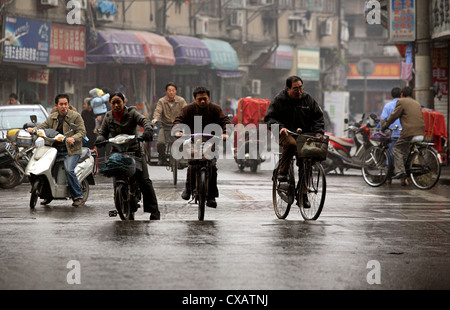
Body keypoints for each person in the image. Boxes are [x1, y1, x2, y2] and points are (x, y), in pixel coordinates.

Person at [96, 92, 160, 220]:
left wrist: (147, 130)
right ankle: (121, 203)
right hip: (117, 153)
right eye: (113, 103)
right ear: (110, 104)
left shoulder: (132, 113)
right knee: (116, 179)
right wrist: (100, 139)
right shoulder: (108, 117)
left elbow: (144, 120)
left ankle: (154, 211)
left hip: (135, 151)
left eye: (118, 102)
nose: (116, 105)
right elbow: (103, 132)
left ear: (123, 102)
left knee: (145, 181)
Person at [264, 76, 324, 208]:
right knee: (291, 144)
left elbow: (318, 117)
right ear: (288, 89)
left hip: (304, 135)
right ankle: (283, 172)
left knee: (306, 161)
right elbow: (269, 118)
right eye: (295, 88)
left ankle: (302, 194)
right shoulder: (279, 100)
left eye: (301, 87)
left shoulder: (308, 100)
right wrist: (280, 128)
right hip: (285, 133)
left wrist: (319, 132)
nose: (299, 91)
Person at [173, 86, 230, 208]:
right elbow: (178, 120)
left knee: (212, 167)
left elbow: (225, 121)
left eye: (205, 99)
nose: (202, 101)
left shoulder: (216, 109)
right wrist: (178, 131)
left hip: (212, 142)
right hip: (194, 142)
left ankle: (211, 196)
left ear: (209, 98)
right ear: (195, 99)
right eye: (199, 99)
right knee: (192, 164)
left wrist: (225, 133)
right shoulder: (188, 109)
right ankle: (188, 189)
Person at [27, 94, 87, 206]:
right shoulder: (52, 117)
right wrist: (33, 129)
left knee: (69, 170)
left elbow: (82, 132)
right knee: (44, 168)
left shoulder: (76, 116)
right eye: (61, 104)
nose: (63, 106)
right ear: (57, 105)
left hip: (71, 151)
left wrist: (72, 138)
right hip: (54, 149)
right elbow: (42, 126)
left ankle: (78, 196)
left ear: (68, 105)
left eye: (65, 104)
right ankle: (47, 195)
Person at [381, 86, 425, 180]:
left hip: (409, 132)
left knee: (396, 148)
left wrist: (385, 125)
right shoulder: (416, 103)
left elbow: (393, 116)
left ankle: (400, 171)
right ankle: (405, 169)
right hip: (420, 131)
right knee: (404, 151)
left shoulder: (401, 102)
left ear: (402, 94)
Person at [152, 82, 187, 166]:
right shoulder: (162, 101)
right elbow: (158, 111)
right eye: (169, 90)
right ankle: (162, 158)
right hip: (165, 126)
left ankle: (182, 160)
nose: (171, 92)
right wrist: (155, 119)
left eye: (173, 90)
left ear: (176, 91)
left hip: (178, 126)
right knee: (160, 143)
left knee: (183, 141)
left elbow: (186, 111)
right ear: (166, 91)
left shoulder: (181, 101)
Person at [378, 87, 402, 184]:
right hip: (403, 133)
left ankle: (388, 178)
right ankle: (402, 178)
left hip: (392, 134)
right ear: (401, 95)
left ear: (391, 95)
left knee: (390, 155)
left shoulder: (388, 106)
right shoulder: (403, 105)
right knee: (401, 155)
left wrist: (382, 127)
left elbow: (383, 119)